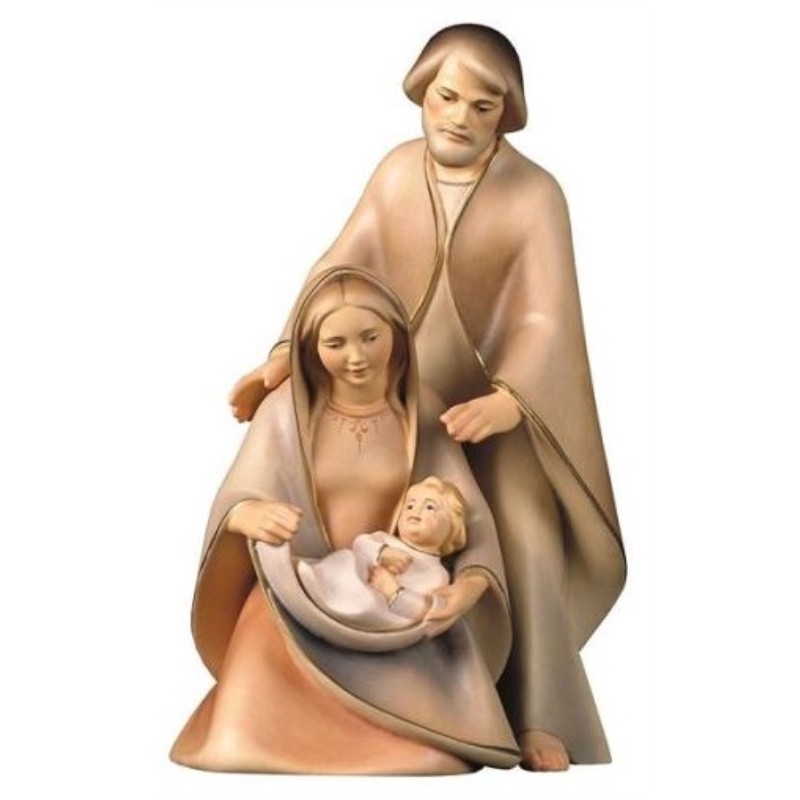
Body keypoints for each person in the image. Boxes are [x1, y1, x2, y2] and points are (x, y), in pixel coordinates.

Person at [228, 24, 627, 771]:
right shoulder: (395, 172)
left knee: (521, 530)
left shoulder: (535, 194)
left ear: (507, 113)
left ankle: (539, 711)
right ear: (421, 93)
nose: (459, 118)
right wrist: (283, 356)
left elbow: (547, 316)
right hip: (393, 387)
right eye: (446, 97)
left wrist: (510, 400)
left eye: (483, 106)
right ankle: (366, 697)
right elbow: (341, 264)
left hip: (489, 407)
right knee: (359, 516)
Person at [171, 269, 519, 774]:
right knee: (247, 734)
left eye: (370, 338)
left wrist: (468, 586)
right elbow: (240, 492)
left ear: (396, 335)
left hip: (393, 605)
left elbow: (468, 513)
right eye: (336, 344)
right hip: (300, 594)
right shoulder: (286, 413)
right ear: (312, 348)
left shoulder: (420, 412)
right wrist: (248, 513)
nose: (356, 357)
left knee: (432, 753)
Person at [297, 476, 468, 630]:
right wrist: (382, 553)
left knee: (366, 598)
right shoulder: (385, 539)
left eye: (429, 507)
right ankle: (318, 581)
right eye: (410, 505)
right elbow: (360, 543)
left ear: (452, 527)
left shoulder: (437, 574)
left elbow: (423, 609)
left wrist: (393, 591)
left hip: (382, 610)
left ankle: (330, 598)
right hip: (358, 580)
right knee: (348, 558)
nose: (415, 511)